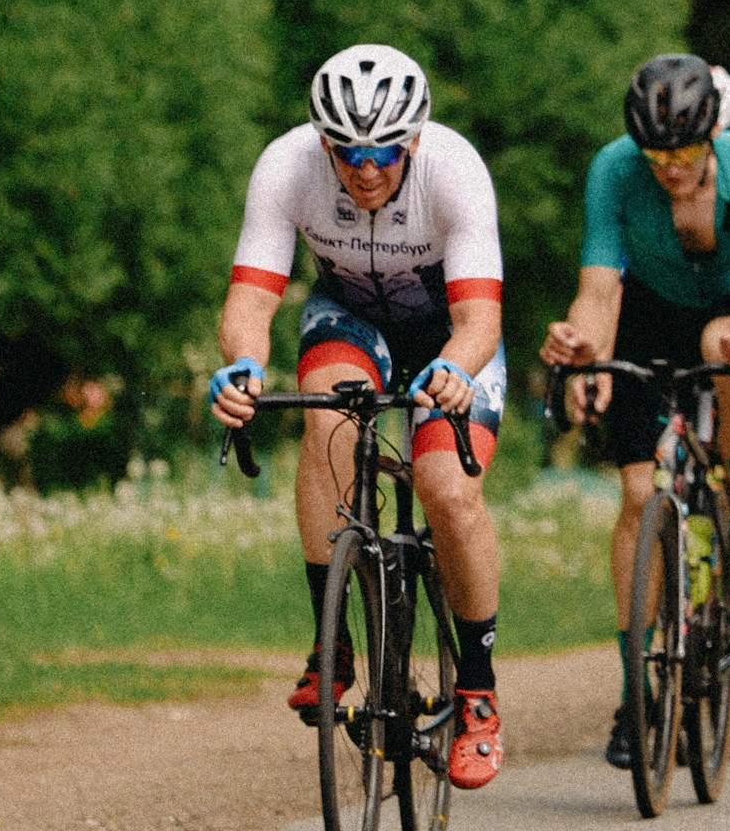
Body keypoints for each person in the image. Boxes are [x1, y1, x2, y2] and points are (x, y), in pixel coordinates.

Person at [209, 44, 511, 790]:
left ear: (412, 139)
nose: (366, 168)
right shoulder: (285, 168)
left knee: (448, 490)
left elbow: (480, 318)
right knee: (327, 427)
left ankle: (477, 687)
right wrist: (244, 365)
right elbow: (252, 299)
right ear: (323, 142)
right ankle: (332, 643)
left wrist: (454, 367)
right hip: (347, 316)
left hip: (450, 334)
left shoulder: (455, 169)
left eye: (383, 151)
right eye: (347, 151)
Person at [540, 54, 730, 770]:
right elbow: (597, 284)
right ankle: (635, 693)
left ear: (712, 134)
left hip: (727, 309)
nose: (670, 168)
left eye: (684, 152)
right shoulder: (614, 171)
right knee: (634, 494)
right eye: (657, 153)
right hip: (649, 314)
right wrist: (580, 340)